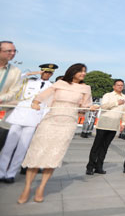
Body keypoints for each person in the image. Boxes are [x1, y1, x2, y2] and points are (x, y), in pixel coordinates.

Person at [18, 63, 98, 204]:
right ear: (73, 71)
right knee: (36, 154)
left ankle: (41, 188)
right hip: (50, 120)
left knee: (54, 155)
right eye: (81, 71)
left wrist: (91, 107)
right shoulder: (59, 83)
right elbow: (41, 97)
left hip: (68, 124)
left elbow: (85, 106)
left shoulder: (85, 88)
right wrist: (36, 103)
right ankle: (27, 188)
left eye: (85, 71)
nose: (83, 73)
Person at [0, 63, 57, 183]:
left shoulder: (51, 87)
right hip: (19, 116)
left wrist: (41, 121)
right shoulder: (29, 81)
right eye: (45, 72)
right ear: (41, 71)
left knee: (22, 148)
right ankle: (1, 172)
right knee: (8, 147)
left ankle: (11, 174)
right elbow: (17, 78)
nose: (47, 74)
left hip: (33, 118)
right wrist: (32, 73)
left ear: (52, 74)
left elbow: (47, 106)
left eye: (50, 73)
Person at [86, 79, 125, 175]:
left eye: (122, 85)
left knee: (105, 147)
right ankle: (90, 167)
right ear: (114, 86)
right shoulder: (107, 95)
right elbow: (104, 106)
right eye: (118, 85)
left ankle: (99, 167)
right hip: (103, 124)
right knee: (96, 146)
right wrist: (116, 103)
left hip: (114, 126)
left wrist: (123, 124)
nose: (120, 87)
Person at [0, 41, 23, 151]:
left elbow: (14, 91)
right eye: (9, 51)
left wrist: (1, 98)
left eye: (14, 51)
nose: (12, 53)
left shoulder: (15, 71)